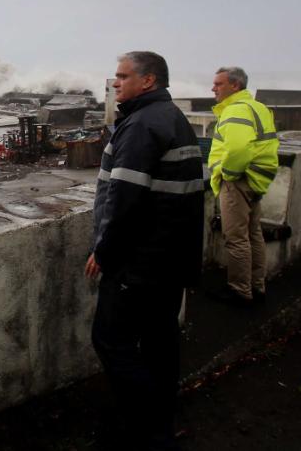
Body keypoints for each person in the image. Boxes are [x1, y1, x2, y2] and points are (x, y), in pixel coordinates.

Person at [86, 51, 204, 449]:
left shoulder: (140, 125)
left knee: (110, 339)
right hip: (173, 256)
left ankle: (150, 429)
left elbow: (124, 200)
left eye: (122, 76)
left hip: (140, 262)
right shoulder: (172, 117)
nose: (115, 82)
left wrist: (103, 251)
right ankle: (164, 421)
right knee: (160, 340)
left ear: (148, 81)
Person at [206, 66, 279, 307]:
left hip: (238, 181)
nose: (213, 88)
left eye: (218, 84)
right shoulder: (258, 107)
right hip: (257, 179)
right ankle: (257, 286)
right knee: (253, 234)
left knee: (236, 237)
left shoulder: (235, 109)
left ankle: (239, 291)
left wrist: (227, 174)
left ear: (234, 86)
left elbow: (239, 149)